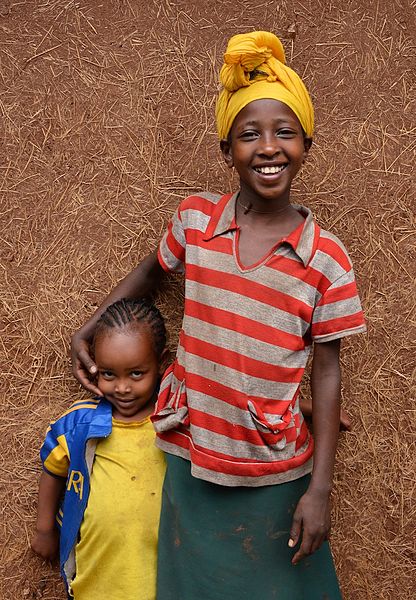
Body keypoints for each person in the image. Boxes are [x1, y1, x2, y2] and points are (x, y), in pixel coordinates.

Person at [71, 31, 366, 599]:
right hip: (194, 448)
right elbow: (149, 275)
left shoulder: (325, 259)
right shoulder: (196, 223)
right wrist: (96, 318)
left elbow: (327, 371)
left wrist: (320, 489)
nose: (268, 147)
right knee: (194, 583)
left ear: (307, 141)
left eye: (284, 132)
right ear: (224, 149)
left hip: (274, 465)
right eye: (248, 134)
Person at [31, 298, 167, 599]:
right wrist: (44, 528)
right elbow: (53, 468)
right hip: (96, 582)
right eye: (108, 374)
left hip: (159, 581)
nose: (122, 388)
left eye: (136, 374)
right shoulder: (80, 424)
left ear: (161, 363)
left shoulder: (173, 422)